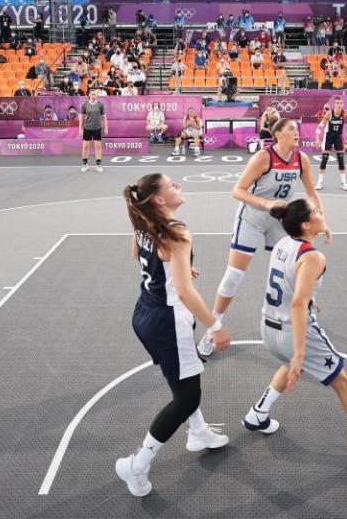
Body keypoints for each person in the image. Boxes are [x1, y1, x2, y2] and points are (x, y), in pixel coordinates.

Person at [242, 199, 347, 466]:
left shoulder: (281, 243)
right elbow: (298, 303)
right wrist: (300, 353)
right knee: (341, 381)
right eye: (317, 212)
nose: (322, 213)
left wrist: (308, 299)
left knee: (287, 363)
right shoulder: (313, 256)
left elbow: (290, 285)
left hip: (268, 326)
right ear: (306, 224)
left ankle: (258, 413)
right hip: (294, 332)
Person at [116, 174, 232, 498]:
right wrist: (215, 325)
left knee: (181, 378)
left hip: (145, 313)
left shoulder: (142, 223)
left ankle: (198, 432)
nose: (178, 184)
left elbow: (138, 256)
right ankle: (137, 465)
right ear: (158, 199)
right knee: (187, 397)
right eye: (171, 184)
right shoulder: (177, 232)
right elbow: (183, 292)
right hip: (169, 321)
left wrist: (177, 267)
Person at [196, 118, 327, 358]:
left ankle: (306, 311)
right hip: (253, 217)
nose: (296, 133)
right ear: (278, 135)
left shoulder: (301, 160)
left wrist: (322, 219)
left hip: (280, 221)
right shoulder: (263, 158)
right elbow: (238, 190)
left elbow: (311, 192)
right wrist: (266, 203)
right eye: (291, 129)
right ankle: (212, 329)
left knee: (297, 271)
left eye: (297, 130)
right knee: (233, 277)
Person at [79, 89, 108, 173]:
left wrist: (106, 128)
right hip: (87, 128)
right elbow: (81, 118)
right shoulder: (84, 105)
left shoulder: (100, 105)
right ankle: (85, 165)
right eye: (92, 94)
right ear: (89, 95)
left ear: (96, 95)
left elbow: (104, 117)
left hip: (97, 128)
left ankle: (98, 165)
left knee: (98, 147)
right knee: (85, 147)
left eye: (95, 94)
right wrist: (80, 129)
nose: (93, 96)